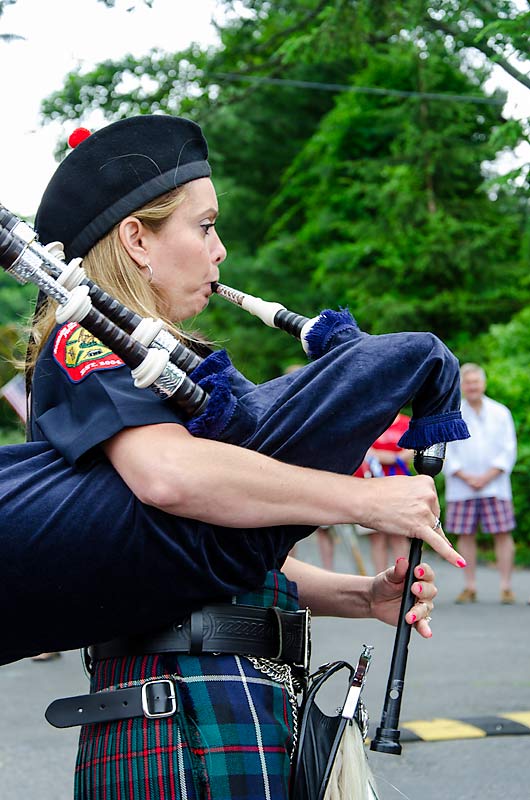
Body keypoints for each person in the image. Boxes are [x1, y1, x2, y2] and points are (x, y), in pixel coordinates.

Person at [28, 115, 465, 799]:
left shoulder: (183, 369)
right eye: (204, 227)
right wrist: (366, 501)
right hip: (172, 714)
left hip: (244, 699)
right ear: (137, 240)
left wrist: (360, 596)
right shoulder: (84, 341)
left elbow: (226, 542)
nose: (220, 250)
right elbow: (168, 475)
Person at [443, 363, 517, 604]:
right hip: (462, 486)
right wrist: (465, 476)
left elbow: (509, 449)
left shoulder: (500, 412)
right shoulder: (453, 413)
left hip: (495, 485)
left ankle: (506, 586)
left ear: (483, 383)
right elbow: (448, 451)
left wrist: (487, 476)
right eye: (468, 382)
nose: (472, 386)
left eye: (476, 381)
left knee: (502, 534)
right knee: (465, 535)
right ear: (461, 386)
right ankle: (470, 585)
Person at [362, 414, 415, 574]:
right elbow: (365, 448)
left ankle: (403, 578)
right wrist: (393, 457)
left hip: (400, 486)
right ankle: (379, 578)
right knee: (377, 537)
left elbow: (413, 449)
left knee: (399, 534)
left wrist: (390, 457)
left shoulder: (407, 423)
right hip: (373, 486)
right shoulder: (372, 420)